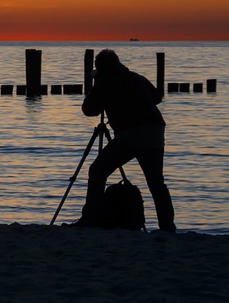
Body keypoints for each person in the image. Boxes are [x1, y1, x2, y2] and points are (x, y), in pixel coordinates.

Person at [73, 49, 175, 232]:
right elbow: (157, 97)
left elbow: (89, 110)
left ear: (100, 67)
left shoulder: (104, 82)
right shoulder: (136, 77)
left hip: (131, 134)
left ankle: (90, 218)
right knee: (156, 182)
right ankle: (167, 226)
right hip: (154, 130)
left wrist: (96, 85)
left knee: (97, 171)